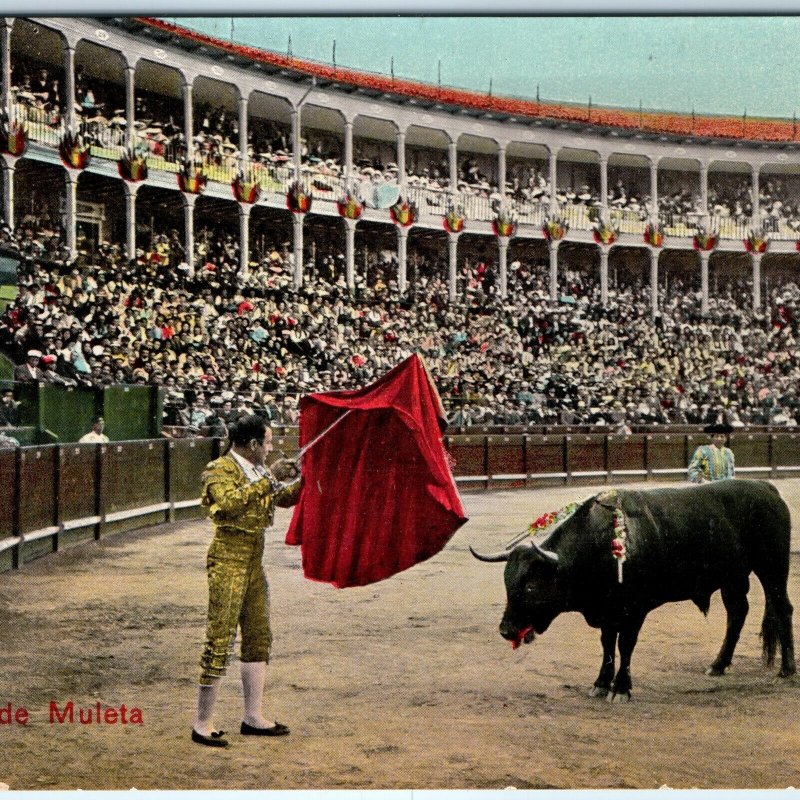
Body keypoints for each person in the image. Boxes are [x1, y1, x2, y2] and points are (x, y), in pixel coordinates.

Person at [192, 414, 301, 748]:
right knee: (220, 636)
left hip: (254, 560)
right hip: (227, 558)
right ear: (253, 444)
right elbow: (226, 506)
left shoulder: (256, 471)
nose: (270, 449)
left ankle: (253, 717)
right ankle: (201, 723)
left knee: (258, 636)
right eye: (267, 443)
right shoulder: (219, 469)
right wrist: (270, 477)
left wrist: (304, 478)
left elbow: (283, 498)